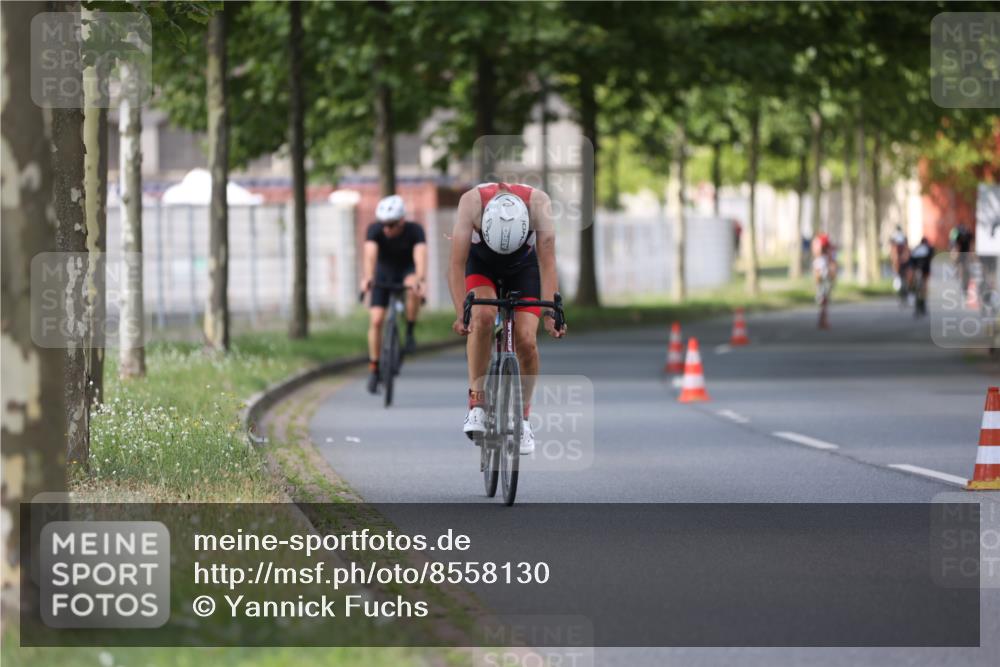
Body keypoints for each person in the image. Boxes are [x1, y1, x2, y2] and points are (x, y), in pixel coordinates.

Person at [447, 182, 566, 455]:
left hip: (523, 268)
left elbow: (547, 261)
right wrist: (460, 313)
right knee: (483, 316)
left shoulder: (539, 204)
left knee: (526, 341)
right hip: (481, 265)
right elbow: (455, 265)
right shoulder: (471, 202)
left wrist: (550, 315)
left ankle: (522, 419)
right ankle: (477, 403)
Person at [361, 194, 427, 393]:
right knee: (376, 320)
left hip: (406, 271)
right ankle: (374, 368)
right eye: (384, 224)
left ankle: (409, 331)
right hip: (384, 272)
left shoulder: (415, 231)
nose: (386, 229)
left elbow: (420, 258)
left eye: (391, 225)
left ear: (402, 221)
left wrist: (420, 279)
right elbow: (370, 255)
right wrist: (368, 278)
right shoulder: (375, 230)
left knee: (412, 285)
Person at [812, 233, 837, 329]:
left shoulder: (824, 259)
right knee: (823, 302)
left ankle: (823, 320)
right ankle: (823, 320)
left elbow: (829, 270)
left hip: (824, 282)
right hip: (823, 282)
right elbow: (818, 272)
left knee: (824, 302)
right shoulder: (821, 259)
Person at [909, 236, 934, 317]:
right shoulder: (928, 249)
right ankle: (922, 303)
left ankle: (914, 290)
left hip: (917, 267)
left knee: (917, 285)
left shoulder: (917, 248)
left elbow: (911, 261)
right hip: (924, 269)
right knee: (924, 288)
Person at [889, 225, 911, 305]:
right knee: (906, 276)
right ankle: (906, 293)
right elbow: (907, 249)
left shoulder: (893, 237)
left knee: (898, 275)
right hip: (904, 259)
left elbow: (892, 250)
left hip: (898, 259)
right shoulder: (903, 237)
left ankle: (899, 287)